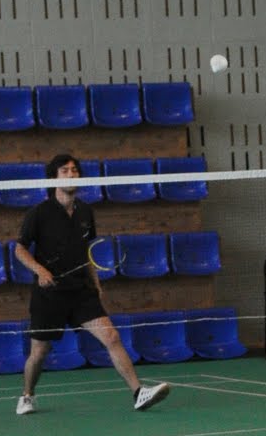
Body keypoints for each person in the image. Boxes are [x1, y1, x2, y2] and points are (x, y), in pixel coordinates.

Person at [14, 154, 169, 416]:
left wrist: (95, 283)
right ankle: (27, 395)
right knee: (40, 351)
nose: (71, 174)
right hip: (49, 294)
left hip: (81, 291)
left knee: (111, 337)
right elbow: (19, 249)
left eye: (75, 170)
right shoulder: (39, 213)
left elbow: (86, 251)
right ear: (54, 177)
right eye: (65, 171)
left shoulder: (86, 212)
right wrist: (40, 270)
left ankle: (138, 392)